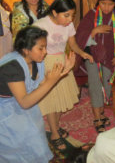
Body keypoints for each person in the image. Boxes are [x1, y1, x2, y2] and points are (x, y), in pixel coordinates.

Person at [0, 26, 75, 163]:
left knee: (35, 138)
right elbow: (24, 102)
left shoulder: (35, 61)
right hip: (5, 113)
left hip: (22, 107)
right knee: (16, 147)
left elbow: (40, 85)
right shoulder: (12, 67)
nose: (45, 52)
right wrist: (51, 81)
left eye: (45, 47)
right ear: (26, 50)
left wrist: (63, 71)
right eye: (41, 48)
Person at [33, 0, 93, 151]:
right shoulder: (41, 25)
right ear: (54, 12)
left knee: (62, 100)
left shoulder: (68, 25)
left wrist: (83, 53)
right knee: (52, 101)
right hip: (47, 64)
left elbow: (72, 43)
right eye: (66, 15)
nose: (69, 19)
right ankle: (54, 133)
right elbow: (34, 48)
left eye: (72, 15)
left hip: (63, 64)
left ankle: (56, 126)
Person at [75, 0, 115, 133]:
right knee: (95, 85)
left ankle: (101, 112)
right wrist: (94, 31)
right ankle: (97, 118)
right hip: (92, 57)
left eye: (110, 4)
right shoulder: (91, 15)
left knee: (107, 86)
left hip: (111, 59)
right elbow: (80, 34)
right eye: (103, 3)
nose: (106, 7)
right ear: (98, 1)